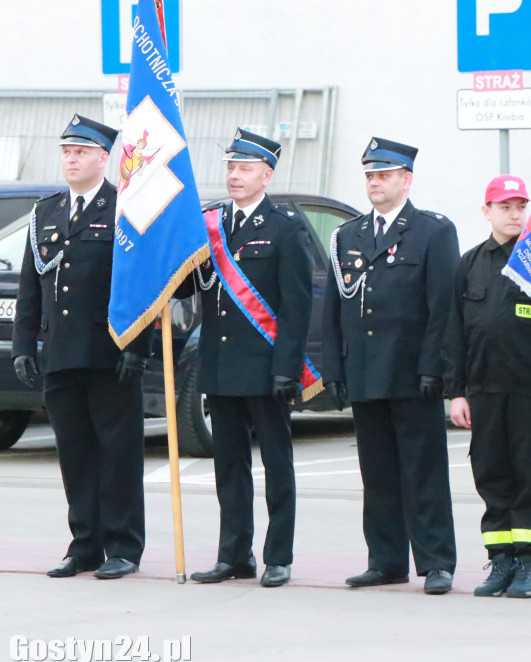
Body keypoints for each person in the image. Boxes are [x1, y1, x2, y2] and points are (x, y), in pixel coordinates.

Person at [12, 114, 152, 579]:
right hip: (61, 351)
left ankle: (123, 546)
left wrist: (137, 345)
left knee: (118, 452)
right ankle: (84, 545)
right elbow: (32, 286)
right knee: (74, 452)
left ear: (103, 158)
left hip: (109, 353)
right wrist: (24, 344)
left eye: (81, 152)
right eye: (66, 152)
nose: (71, 159)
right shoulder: (46, 212)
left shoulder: (123, 208)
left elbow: (142, 285)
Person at [323, 137, 459, 595]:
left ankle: (436, 561)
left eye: (383, 175)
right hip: (364, 370)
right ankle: (385, 560)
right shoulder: (348, 235)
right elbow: (336, 311)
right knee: (376, 472)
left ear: (407, 180)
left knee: (423, 472)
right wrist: (334, 370)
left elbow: (443, 307)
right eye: (370, 176)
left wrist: (435, 368)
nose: (375, 184)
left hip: (410, 370)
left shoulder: (432, 231)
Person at [181, 128, 314, 588]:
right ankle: (233, 554)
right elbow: (189, 284)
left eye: (245, 169)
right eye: (231, 168)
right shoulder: (211, 223)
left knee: (277, 465)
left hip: (264, 367)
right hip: (218, 365)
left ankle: (278, 555)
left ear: (267, 174)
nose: (235, 176)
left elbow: (297, 309)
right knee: (229, 466)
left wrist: (286, 368)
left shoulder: (285, 228)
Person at [443, 175, 531, 598]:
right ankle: (501, 561)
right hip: (483, 392)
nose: (513, 214)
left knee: (529, 475)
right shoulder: (469, 264)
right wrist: (456, 392)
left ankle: (529, 563)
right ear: (486, 211)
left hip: (530, 393)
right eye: (504, 206)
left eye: (519, 206)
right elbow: (453, 334)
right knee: (491, 475)